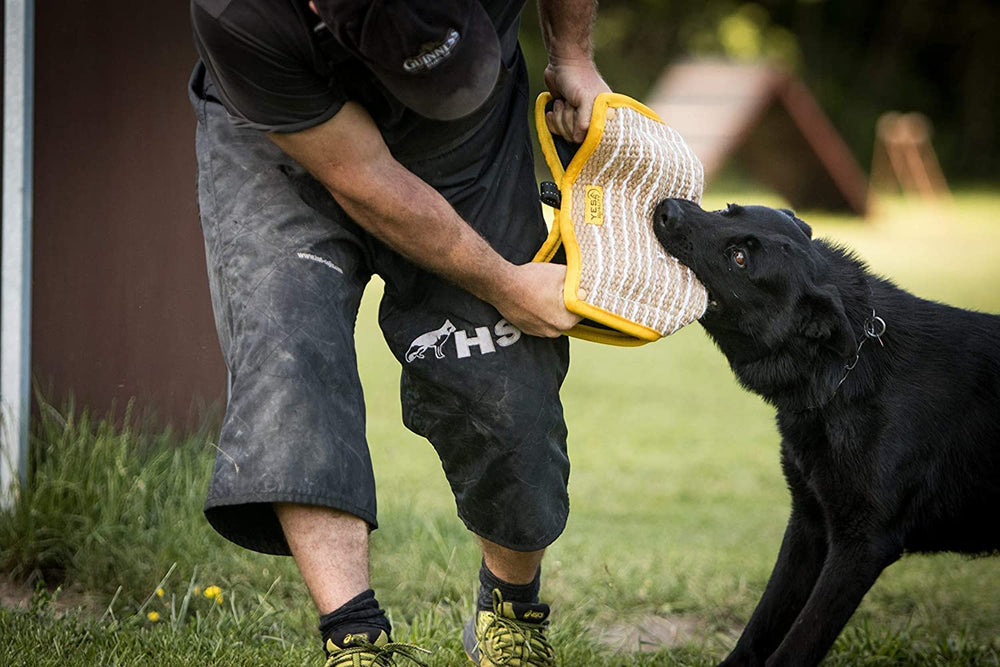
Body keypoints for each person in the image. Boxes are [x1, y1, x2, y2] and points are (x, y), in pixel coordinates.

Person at [188, 0, 608, 664]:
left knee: (502, 362)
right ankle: (354, 637)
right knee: (289, 347)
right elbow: (364, 178)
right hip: (292, 127)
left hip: (468, 132)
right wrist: (504, 280)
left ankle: (510, 612)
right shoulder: (241, 13)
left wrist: (573, 54)